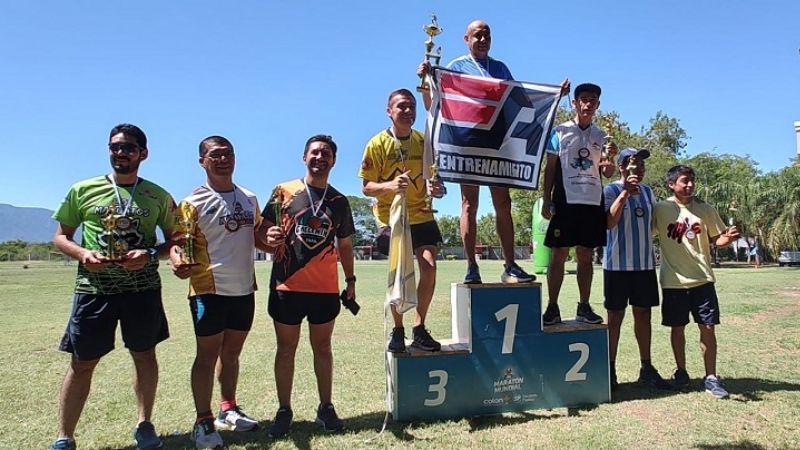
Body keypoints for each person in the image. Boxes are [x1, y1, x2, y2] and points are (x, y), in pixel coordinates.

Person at [49, 124, 177, 450]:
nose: (121, 152)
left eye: (129, 147)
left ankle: (144, 425)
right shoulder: (83, 190)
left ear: (143, 153)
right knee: (82, 362)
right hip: (94, 290)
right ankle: (64, 437)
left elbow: (175, 240)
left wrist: (149, 254)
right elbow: (60, 237)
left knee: (145, 355)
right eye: (115, 147)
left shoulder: (158, 195)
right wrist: (82, 253)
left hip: (142, 289)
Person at [417, 19, 540, 284]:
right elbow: (434, 104)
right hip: (467, 143)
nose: (483, 40)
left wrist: (552, 96)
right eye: (477, 35)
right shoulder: (455, 67)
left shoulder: (500, 67)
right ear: (466, 39)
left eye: (487, 35)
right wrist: (426, 80)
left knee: (503, 204)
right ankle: (472, 266)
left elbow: (519, 100)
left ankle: (510, 265)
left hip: (496, 144)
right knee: (469, 204)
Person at [257, 134, 356, 438]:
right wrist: (267, 240)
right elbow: (262, 231)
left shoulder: (339, 201)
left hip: (325, 288)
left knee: (323, 348)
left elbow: (346, 243)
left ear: (333, 160)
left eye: (326, 153)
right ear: (304, 157)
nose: (320, 157)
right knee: (286, 349)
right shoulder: (284, 191)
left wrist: (350, 281)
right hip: (287, 285)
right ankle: (284, 410)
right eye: (314, 152)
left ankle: (326, 408)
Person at [170, 136, 260, 448]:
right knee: (207, 356)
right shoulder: (192, 202)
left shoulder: (249, 198)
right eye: (215, 155)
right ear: (202, 161)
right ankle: (203, 421)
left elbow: (257, 236)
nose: (223, 159)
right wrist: (176, 261)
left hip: (244, 288)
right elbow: (177, 242)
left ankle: (228, 408)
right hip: (208, 289)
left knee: (232, 353)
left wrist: (272, 239)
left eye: (228, 154)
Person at [359, 88, 445, 353]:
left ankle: (419, 328)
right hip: (393, 217)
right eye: (401, 107)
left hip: (422, 213)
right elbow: (366, 187)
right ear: (389, 111)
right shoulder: (377, 144)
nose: (408, 112)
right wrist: (392, 185)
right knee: (399, 272)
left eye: (411, 107)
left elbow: (435, 179)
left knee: (429, 266)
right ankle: (398, 329)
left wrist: (438, 189)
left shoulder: (424, 141)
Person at [652, 165, 740, 399]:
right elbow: (647, 231)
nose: (689, 185)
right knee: (677, 328)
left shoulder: (705, 209)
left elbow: (717, 239)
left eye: (691, 181)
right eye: (684, 181)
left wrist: (728, 239)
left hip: (703, 279)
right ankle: (681, 372)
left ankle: (711, 377)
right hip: (674, 282)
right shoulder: (660, 209)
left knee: (708, 327)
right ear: (671, 184)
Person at [541, 83, 617, 326]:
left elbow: (607, 172)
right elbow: (550, 167)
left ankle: (584, 306)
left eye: (593, 99)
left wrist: (611, 158)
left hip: (592, 201)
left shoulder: (602, 136)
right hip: (566, 200)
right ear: (574, 103)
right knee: (559, 254)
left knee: (586, 255)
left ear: (597, 105)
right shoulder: (559, 131)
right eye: (583, 99)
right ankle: (552, 307)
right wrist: (546, 198)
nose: (588, 103)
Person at [603, 148, 670, 391]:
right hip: (617, 266)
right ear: (622, 167)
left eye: (641, 166)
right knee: (615, 317)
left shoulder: (649, 192)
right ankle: (609, 369)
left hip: (644, 265)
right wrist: (624, 195)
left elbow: (653, 227)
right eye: (633, 165)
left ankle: (646, 367)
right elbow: (609, 222)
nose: (638, 170)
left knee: (644, 315)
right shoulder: (610, 190)